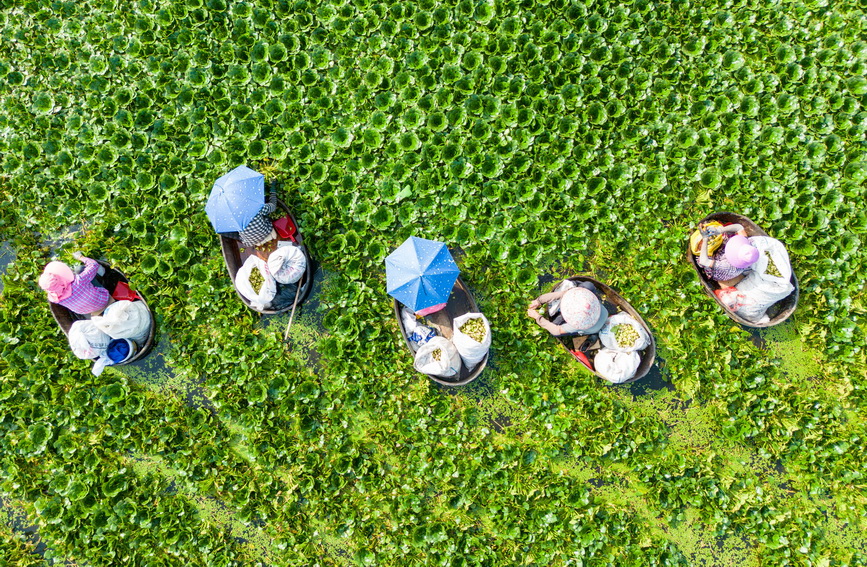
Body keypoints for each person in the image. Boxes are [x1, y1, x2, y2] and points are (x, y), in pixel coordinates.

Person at [39, 252, 111, 315]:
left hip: (86, 311)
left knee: (81, 277)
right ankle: (102, 272)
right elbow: (94, 264)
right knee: (80, 269)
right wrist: (80, 257)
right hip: (103, 300)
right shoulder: (78, 281)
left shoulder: (53, 298)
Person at [527, 282, 609, 336]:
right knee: (588, 285)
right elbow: (559, 294)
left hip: (592, 328)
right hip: (603, 313)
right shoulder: (586, 299)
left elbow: (556, 331)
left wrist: (538, 317)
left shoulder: (577, 324)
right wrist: (539, 301)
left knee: (554, 324)